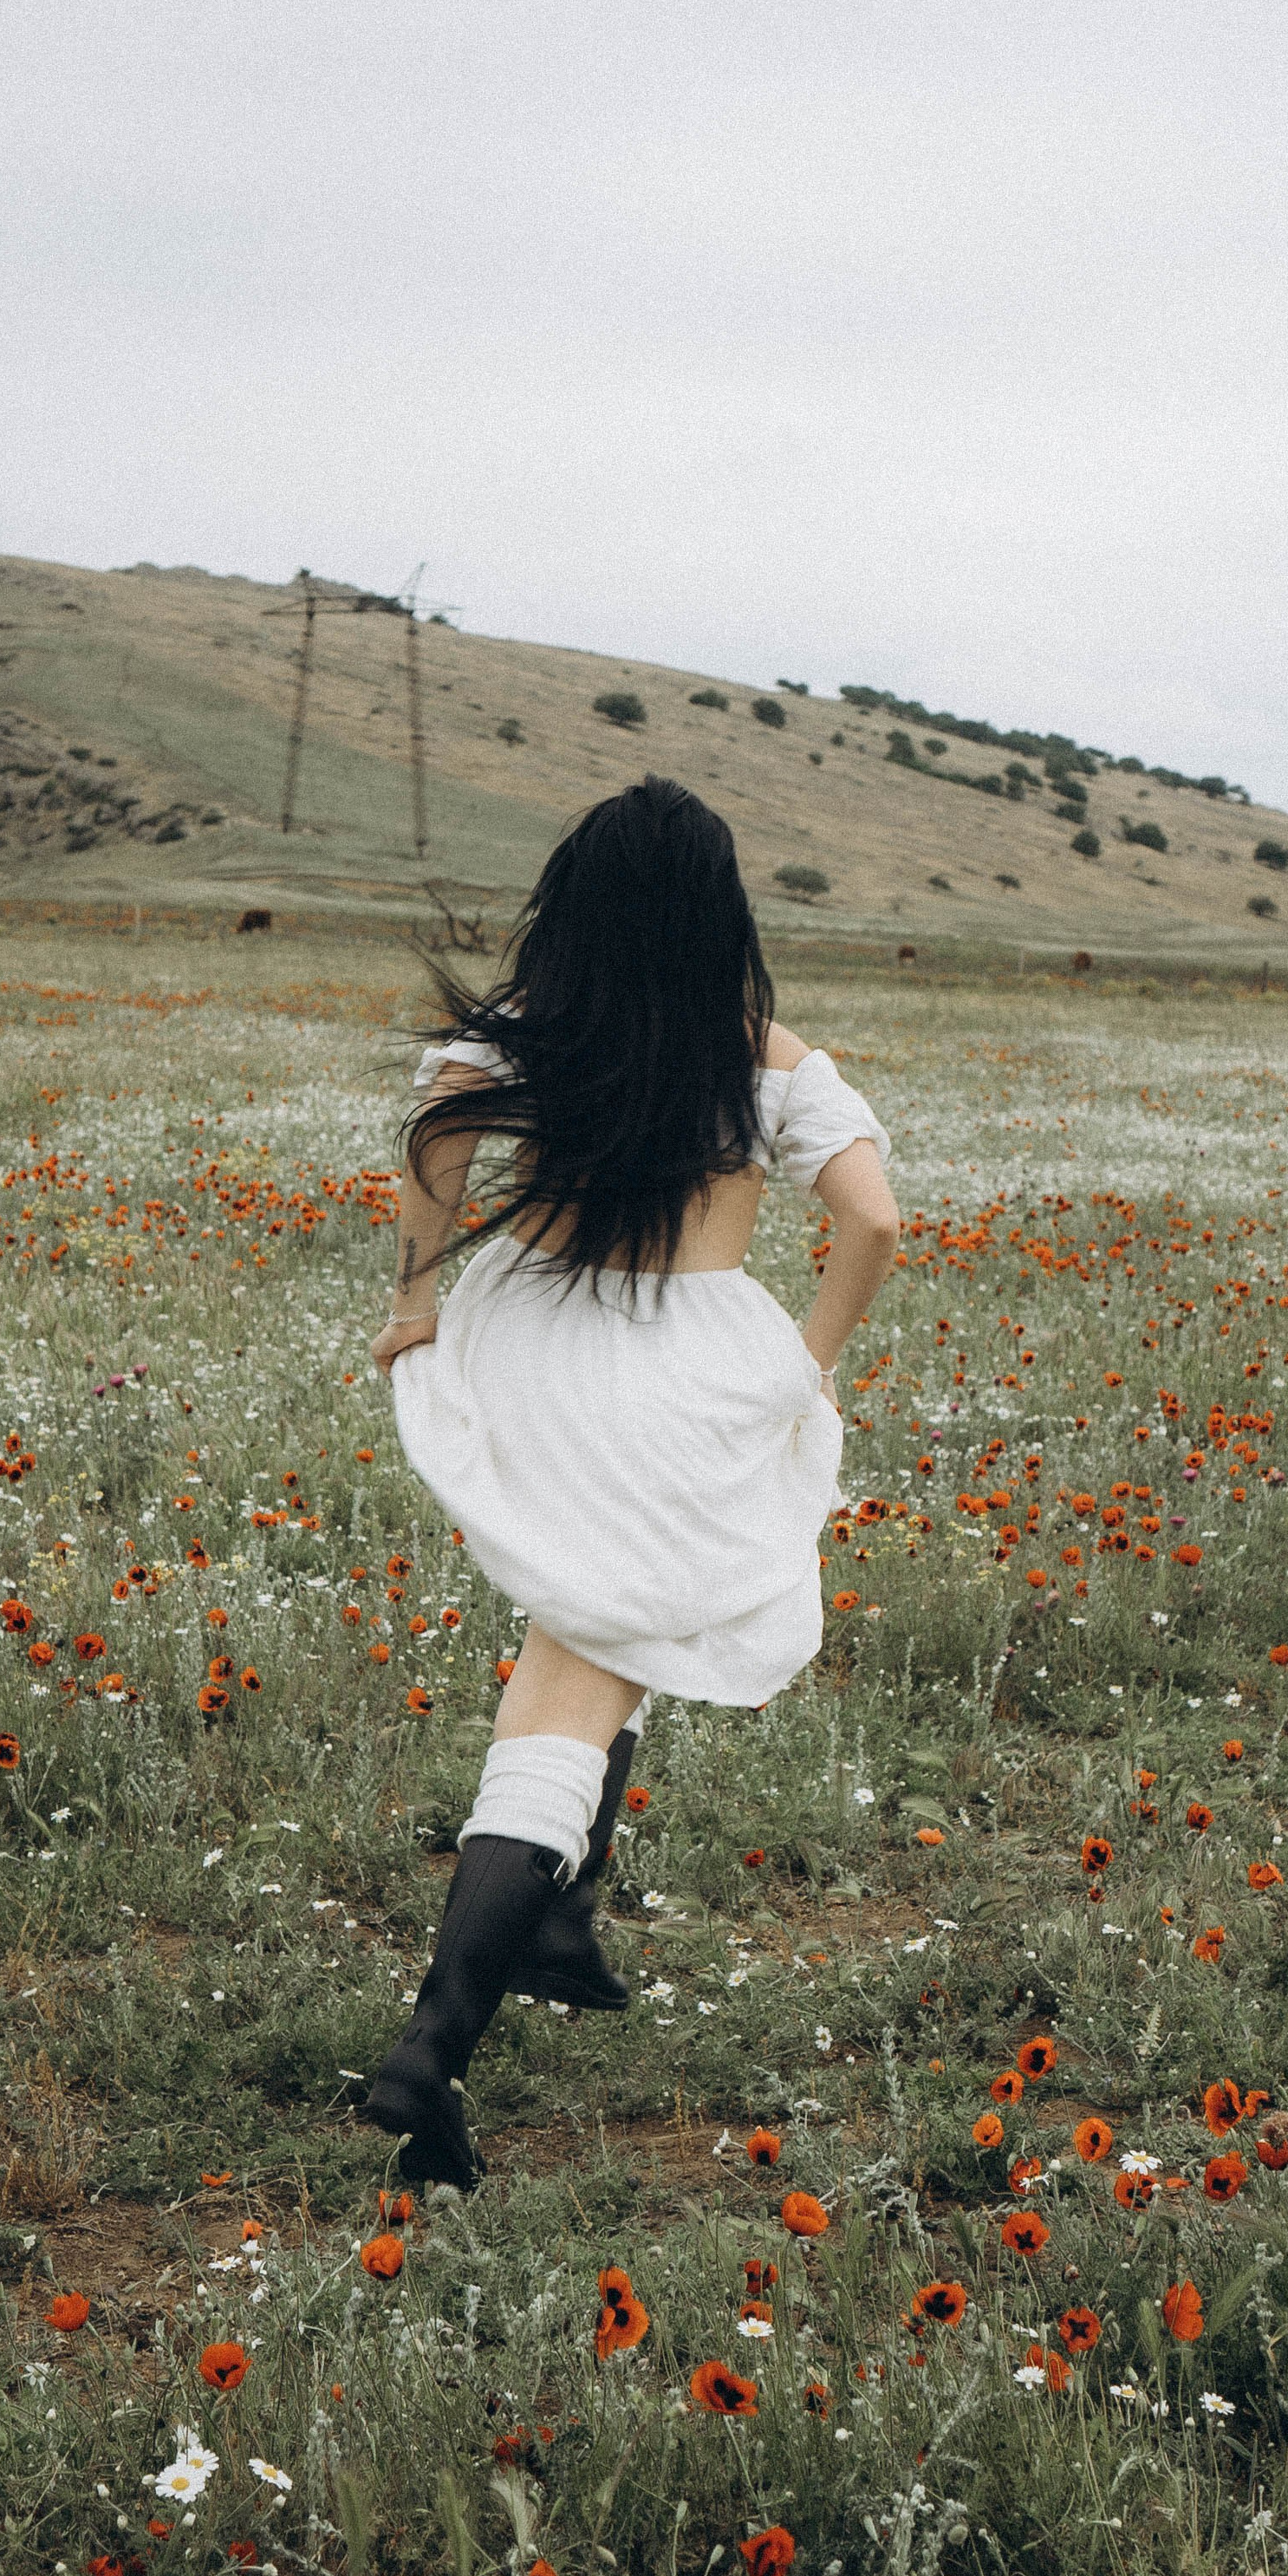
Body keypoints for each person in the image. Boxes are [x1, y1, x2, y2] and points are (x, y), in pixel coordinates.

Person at [361, 775, 899, 2189]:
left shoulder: (530, 1029)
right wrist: (807, 1360)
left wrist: (415, 1301)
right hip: (681, 1375)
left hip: (534, 1347)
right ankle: (431, 2046)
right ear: (721, 916)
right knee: (574, 1679)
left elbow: (434, 1146)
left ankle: (559, 1917)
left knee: (618, 1619)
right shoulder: (767, 1060)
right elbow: (873, 1219)